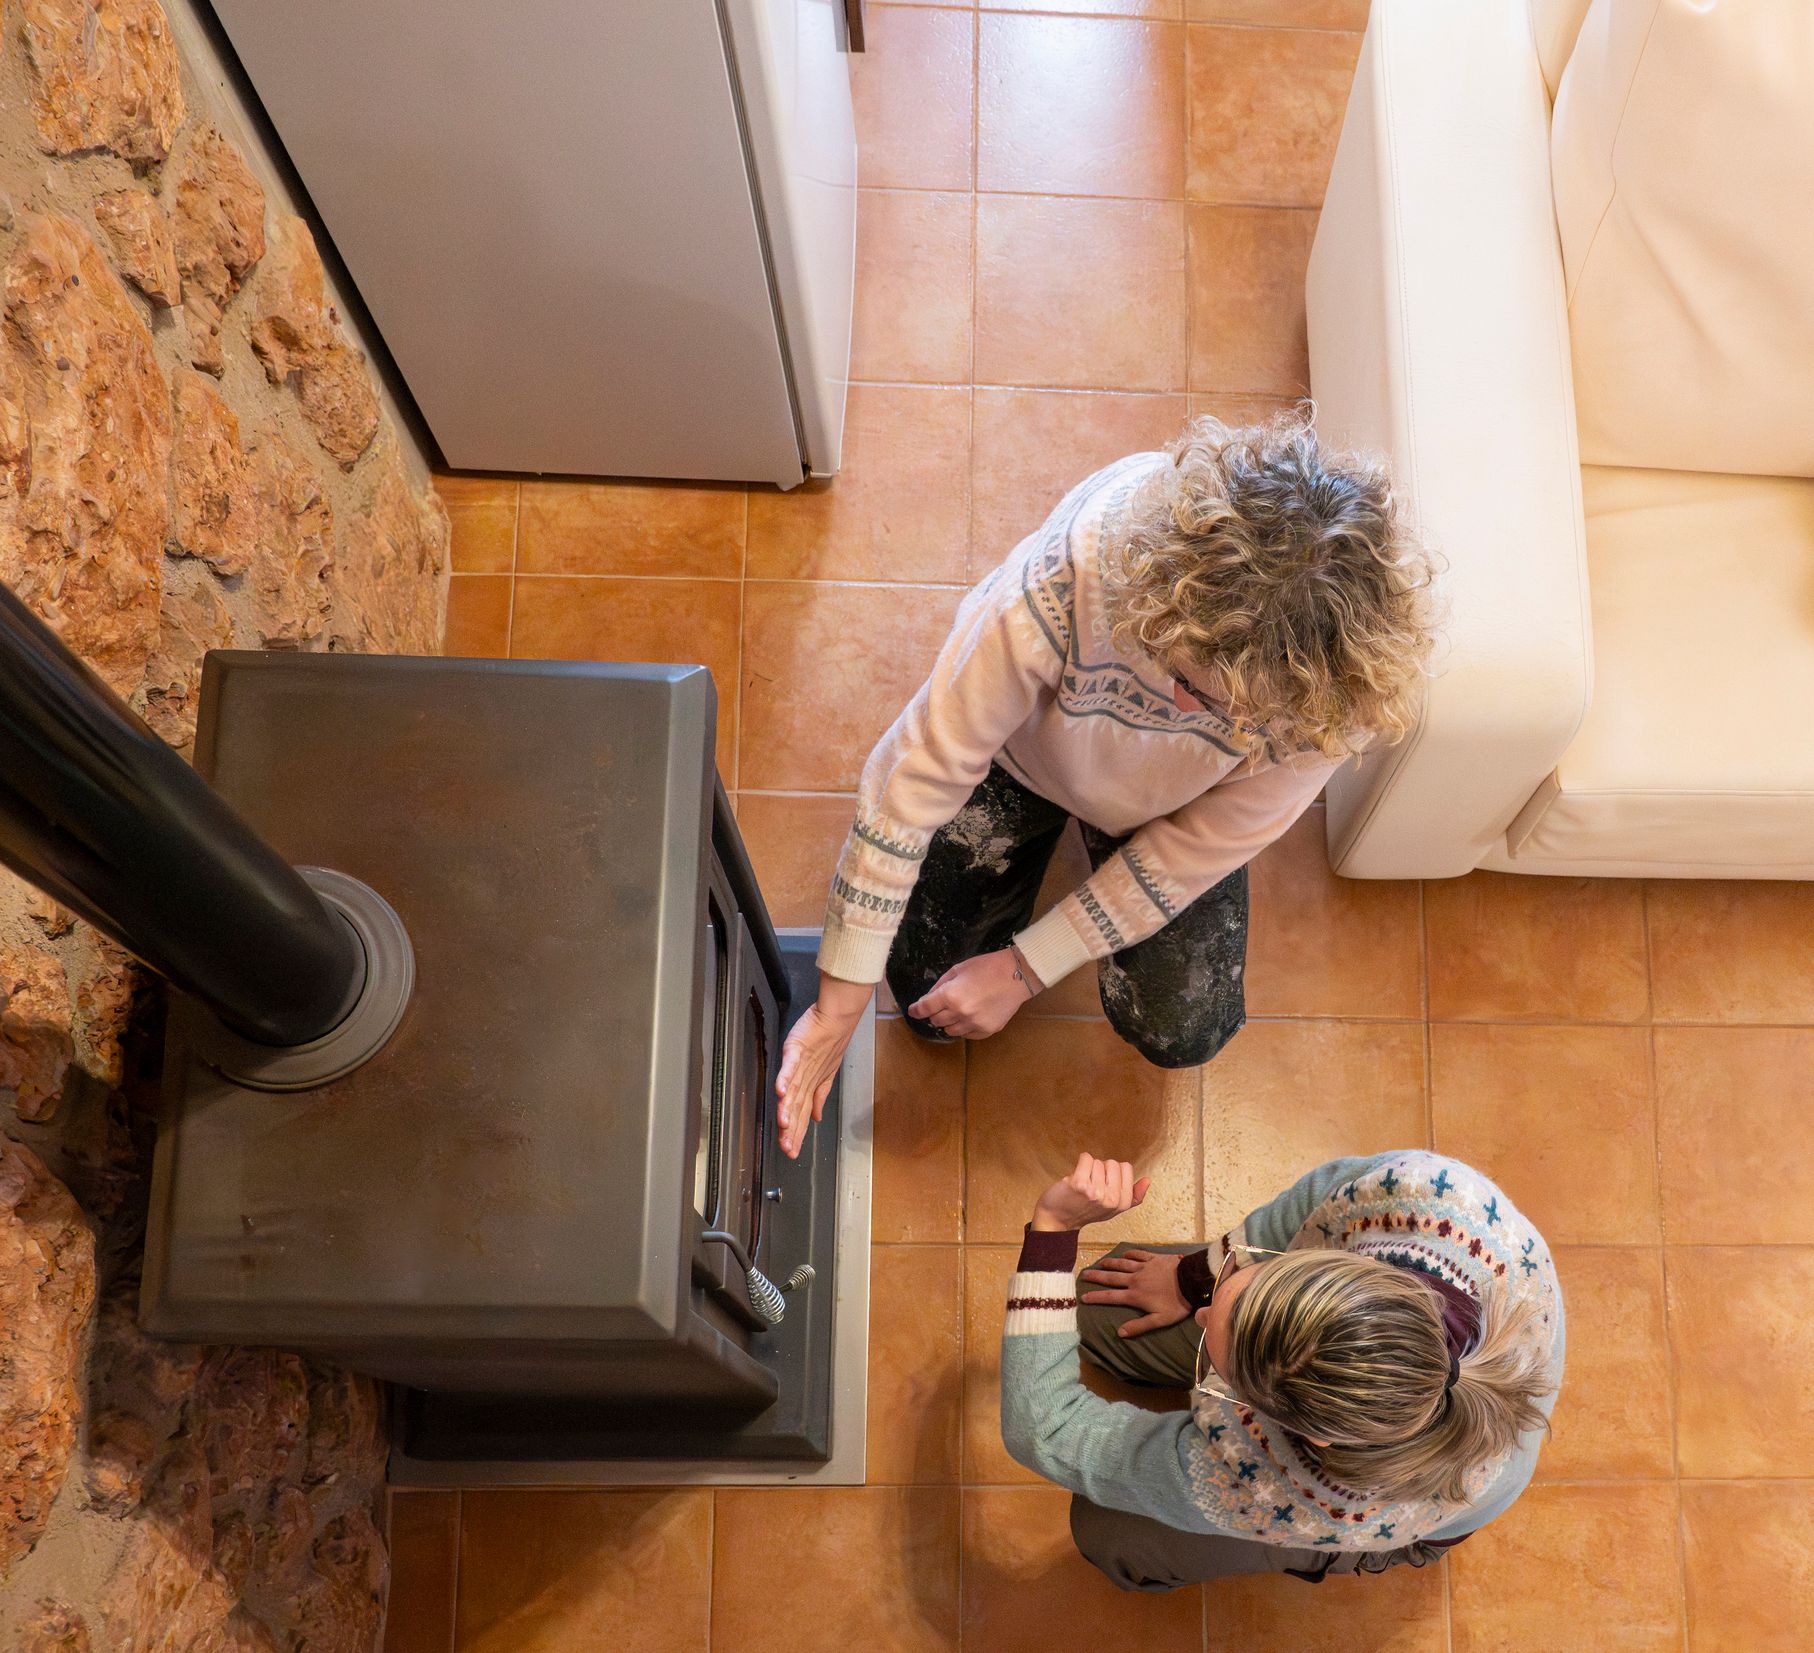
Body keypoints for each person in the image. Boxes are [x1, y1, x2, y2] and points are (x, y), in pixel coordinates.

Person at [774, 411, 1437, 1158]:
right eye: (1186, 678)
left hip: (1171, 810)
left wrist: (1028, 967)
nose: (1189, 713)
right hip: (1022, 758)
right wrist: (838, 1003)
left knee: (1187, 1029)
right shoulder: (1066, 580)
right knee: (926, 1006)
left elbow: (1194, 851)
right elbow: (916, 774)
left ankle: (1088, 850)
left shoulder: (1330, 692)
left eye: (1231, 712)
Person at [999, 1149, 1563, 1588]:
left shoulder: (1287, 1492)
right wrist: (1189, 1279)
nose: (1197, 1317)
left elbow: (1043, 1430)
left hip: (1392, 1519)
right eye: (1257, 1277)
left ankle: (1373, 1557)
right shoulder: (1432, 1202)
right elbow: (1321, 1195)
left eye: (1218, 1357)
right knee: (1097, 1309)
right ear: (1342, 1264)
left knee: (1107, 1534)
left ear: (1307, 1433)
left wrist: (1052, 1230)